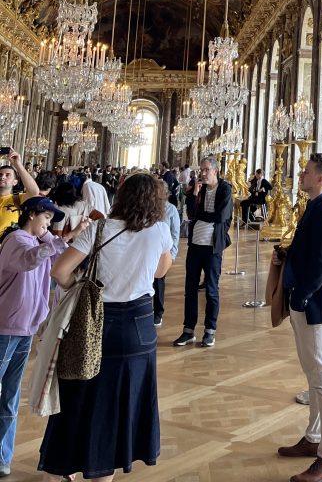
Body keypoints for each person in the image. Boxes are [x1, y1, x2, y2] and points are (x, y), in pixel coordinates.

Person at [38, 172, 173, 482]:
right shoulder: (160, 230)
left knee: (79, 395)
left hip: (95, 318)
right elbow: (160, 271)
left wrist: (79, 286)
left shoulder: (99, 229)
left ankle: (63, 468)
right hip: (139, 325)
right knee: (124, 402)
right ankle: (104, 473)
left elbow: (59, 271)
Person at [0, 196, 89, 478]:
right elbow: (29, 261)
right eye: (46, 219)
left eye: (51, 221)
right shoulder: (17, 240)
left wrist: (77, 240)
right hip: (5, 328)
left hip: (25, 329)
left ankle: (3, 456)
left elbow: (57, 259)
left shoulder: (42, 243)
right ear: (32, 215)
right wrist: (70, 235)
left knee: (11, 398)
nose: (49, 225)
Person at [277, 153, 322, 482]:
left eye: (306, 171)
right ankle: (313, 438)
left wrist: (302, 296)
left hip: (312, 305)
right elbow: (309, 252)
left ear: (320, 178)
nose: (301, 174)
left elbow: (321, 265)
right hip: (302, 300)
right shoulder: (315, 207)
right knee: (313, 375)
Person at [173, 155, 232, 349]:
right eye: (201, 170)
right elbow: (190, 214)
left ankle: (210, 331)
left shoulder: (225, 189)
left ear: (215, 170)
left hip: (213, 247)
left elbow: (220, 216)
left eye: (206, 170)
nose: (203, 173)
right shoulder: (199, 189)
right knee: (190, 289)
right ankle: (188, 330)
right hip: (195, 245)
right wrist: (194, 195)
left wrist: (200, 215)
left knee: (211, 290)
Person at [153, 181, 180, 326]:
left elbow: (175, 233)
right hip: (149, 249)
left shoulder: (172, 210)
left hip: (163, 252)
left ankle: (158, 312)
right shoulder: (149, 207)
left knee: (158, 282)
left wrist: (173, 253)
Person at [0, 151, 40, 230]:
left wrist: (18, 164)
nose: (2, 177)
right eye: (0, 175)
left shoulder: (18, 199)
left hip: (7, 241)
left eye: (7, 175)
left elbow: (34, 192)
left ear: (15, 182)